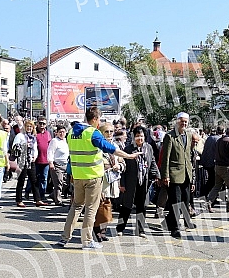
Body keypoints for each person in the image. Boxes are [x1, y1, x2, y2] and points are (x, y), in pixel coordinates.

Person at [57, 107, 141, 250]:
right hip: (93, 176)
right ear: (95, 119)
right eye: (99, 120)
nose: (99, 123)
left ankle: (64, 238)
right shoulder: (92, 133)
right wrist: (129, 156)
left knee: (76, 207)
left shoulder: (71, 133)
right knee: (90, 209)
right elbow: (109, 148)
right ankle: (87, 241)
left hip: (77, 176)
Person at [116, 126, 159, 237]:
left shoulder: (148, 148)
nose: (139, 138)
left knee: (142, 206)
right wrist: (122, 183)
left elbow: (152, 162)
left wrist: (157, 175)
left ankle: (140, 230)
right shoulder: (128, 150)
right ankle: (120, 228)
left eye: (141, 136)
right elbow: (124, 168)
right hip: (130, 182)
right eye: (137, 136)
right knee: (126, 206)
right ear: (133, 137)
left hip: (143, 182)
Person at [161, 112, 195, 239]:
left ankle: (173, 222)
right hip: (174, 174)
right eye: (182, 121)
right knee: (176, 202)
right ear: (177, 122)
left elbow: (188, 156)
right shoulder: (170, 137)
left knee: (185, 201)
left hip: (186, 173)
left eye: (186, 122)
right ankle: (174, 228)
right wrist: (165, 175)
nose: (184, 124)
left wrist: (192, 176)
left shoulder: (189, 135)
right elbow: (166, 158)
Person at [94, 122, 125, 241]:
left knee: (108, 204)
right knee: (101, 205)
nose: (109, 134)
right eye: (106, 131)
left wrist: (119, 166)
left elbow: (123, 163)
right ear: (101, 132)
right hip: (101, 180)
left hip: (113, 180)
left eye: (111, 131)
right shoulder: (97, 147)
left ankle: (103, 231)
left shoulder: (116, 147)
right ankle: (97, 231)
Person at [13, 120, 47, 207]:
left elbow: (35, 148)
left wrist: (34, 156)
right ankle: (19, 200)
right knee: (21, 180)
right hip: (22, 160)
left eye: (30, 127)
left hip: (30, 160)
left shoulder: (33, 137)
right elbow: (15, 146)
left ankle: (38, 199)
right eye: (27, 126)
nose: (29, 128)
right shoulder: (20, 136)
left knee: (34, 180)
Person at [206, 127, 229, 213]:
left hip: (217, 166)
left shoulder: (220, 140)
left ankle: (209, 202)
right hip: (226, 167)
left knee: (217, 186)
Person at [199, 125, 223, 200]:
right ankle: (209, 195)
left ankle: (205, 193)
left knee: (211, 179)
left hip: (207, 162)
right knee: (214, 180)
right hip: (214, 163)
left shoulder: (209, 138)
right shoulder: (219, 139)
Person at [48, 125, 69, 206]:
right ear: (56, 133)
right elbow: (50, 152)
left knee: (66, 183)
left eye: (63, 132)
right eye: (60, 132)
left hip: (65, 164)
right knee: (58, 183)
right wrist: (51, 163)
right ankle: (58, 200)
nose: (62, 134)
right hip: (57, 165)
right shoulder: (54, 141)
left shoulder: (65, 141)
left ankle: (53, 195)